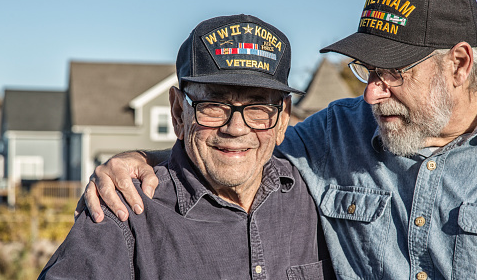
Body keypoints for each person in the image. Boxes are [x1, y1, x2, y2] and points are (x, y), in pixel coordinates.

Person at [82, 0, 477, 279]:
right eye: (366, 71)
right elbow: (242, 144)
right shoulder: (336, 132)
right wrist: (141, 159)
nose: (372, 94)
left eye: (394, 73)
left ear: (458, 64)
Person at [40, 14, 334, 280]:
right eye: (214, 105)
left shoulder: (319, 197)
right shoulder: (125, 214)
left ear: (283, 118)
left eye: (258, 106)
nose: (236, 128)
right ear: (179, 112)